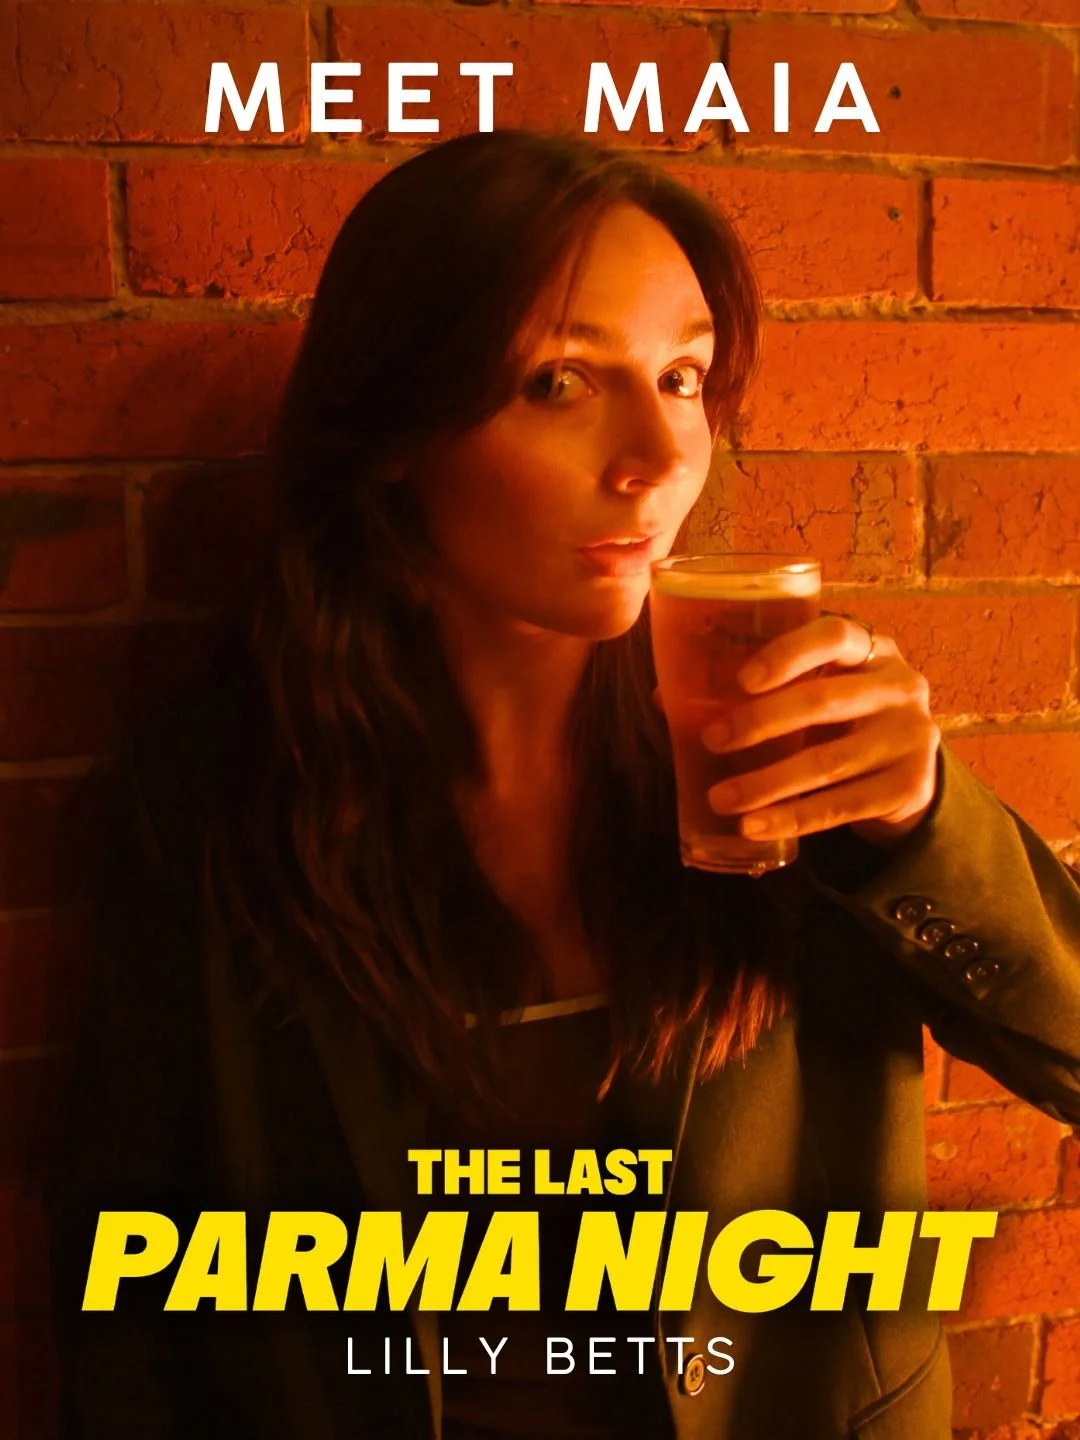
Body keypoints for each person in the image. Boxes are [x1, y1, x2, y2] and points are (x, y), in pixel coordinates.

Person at [48, 129, 1080, 1440]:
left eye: (683, 376)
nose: (658, 450)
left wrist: (922, 824)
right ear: (396, 432)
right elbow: (130, 1266)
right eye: (560, 382)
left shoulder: (787, 734)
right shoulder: (219, 790)